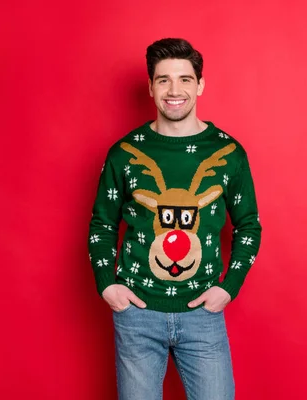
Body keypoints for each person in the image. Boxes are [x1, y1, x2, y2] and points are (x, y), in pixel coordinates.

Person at [87, 38, 262, 400]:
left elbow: (249, 226)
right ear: (151, 87)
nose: (174, 90)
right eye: (164, 79)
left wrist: (229, 288)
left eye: (184, 79)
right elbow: (102, 224)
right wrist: (108, 284)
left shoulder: (228, 153)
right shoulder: (125, 153)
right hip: (137, 313)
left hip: (203, 314)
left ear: (200, 84)